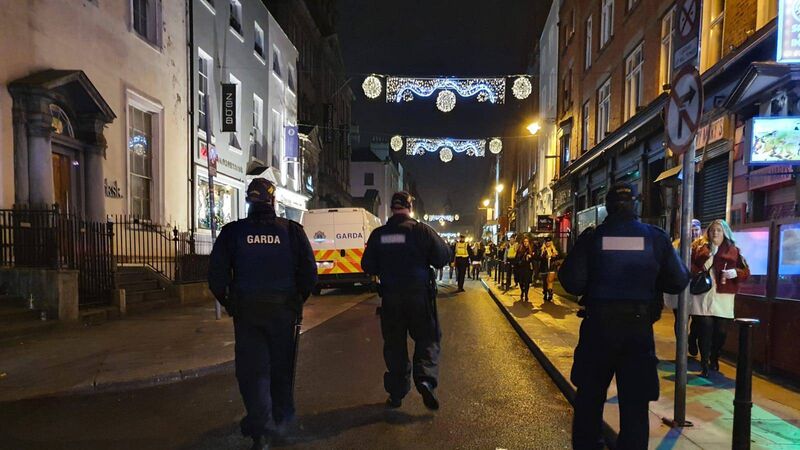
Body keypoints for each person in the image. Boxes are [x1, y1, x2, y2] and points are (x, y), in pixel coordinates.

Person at [558, 183, 690, 450]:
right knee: (635, 406)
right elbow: (678, 280)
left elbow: (572, 281)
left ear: (607, 206)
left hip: (598, 330)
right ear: (636, 206)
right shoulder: (655, 238)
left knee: (589, 402)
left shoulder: (594, 238)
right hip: (638, 331)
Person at [208, 178, 318, 450]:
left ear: (249, 200)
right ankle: (280, 418)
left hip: (247, 312)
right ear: (273, 200)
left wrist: (230, 303)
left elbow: (216, 277)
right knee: (281, 367)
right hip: (282, 311)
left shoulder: (233, 232)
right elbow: (309, 274)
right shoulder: (291, 231)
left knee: (252, 370)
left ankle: (260, 425)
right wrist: (297, 300)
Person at [361, 192, 451, 410]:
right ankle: (425, 380)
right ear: (410, 207)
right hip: (419, 297)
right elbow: (442, 257)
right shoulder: (422, 231)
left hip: (391, 299)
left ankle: (396, 393)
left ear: (392, 208)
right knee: (428, 338)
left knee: (395, 346)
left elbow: (368, 265)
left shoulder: (379, 234)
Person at [690, 219, 750, 377]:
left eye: (718, 230)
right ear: (708, 233)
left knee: (721, 332)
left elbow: (746, 272)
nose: (715, 233)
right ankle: (704, 363)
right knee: (705, 329)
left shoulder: (734, 251)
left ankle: (714, 356)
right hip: (703, 295)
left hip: (723, 296)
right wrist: (702, 263)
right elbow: (691, 267)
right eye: (712, 230)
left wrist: (736, 272)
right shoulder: (700, 248)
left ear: (725, 233)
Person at [663, 219, 703, 340]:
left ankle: (691, 339)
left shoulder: (704, 245)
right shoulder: (676, 245)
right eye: (691, 230)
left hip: (697, 286)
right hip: (680, 286)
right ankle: (681, 345)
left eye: (696, 230)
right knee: (680, 318)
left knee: (698, 318)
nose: (694, 233)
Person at [539, 237, 560, 302]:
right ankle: (545, 293)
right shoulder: (542, 249)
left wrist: (555, 256)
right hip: (544, 268)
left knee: (550, 280)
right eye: (546, 242)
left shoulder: (553, 250)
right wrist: (544, 256)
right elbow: (539, 257)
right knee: (545, 282)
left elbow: (558, 257)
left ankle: (550, 294)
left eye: (549, 242)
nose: (548, 243)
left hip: (551, 267)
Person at [517, 236, 536, 303]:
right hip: (521, 267)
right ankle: (522, 291)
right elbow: (517, 257)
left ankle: (526, 294)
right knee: (521, 282)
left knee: (527, 282)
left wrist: (531, 256)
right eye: (524, 242)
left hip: (528, 268)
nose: (525, 243)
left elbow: (535, 257)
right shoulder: (520, 249)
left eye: (527, 241)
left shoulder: (531, 249)